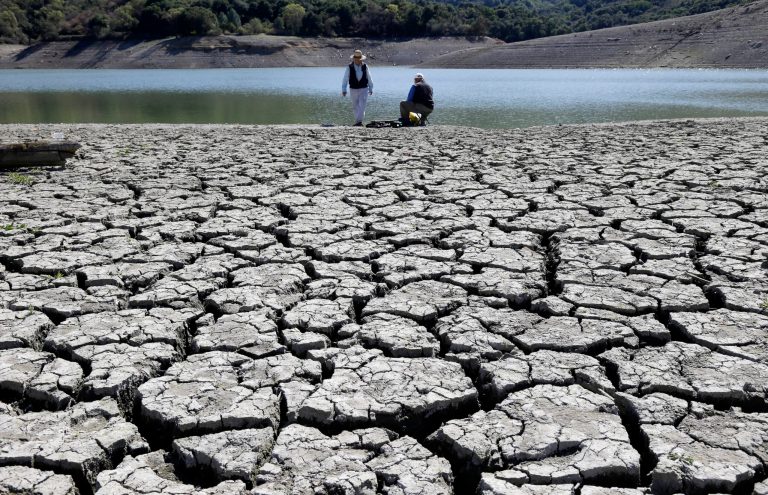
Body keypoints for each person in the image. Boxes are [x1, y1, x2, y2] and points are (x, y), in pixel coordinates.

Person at [341, 49, 373, 126]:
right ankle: (358, 121)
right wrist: (344, 89)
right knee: (355, 106)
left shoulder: (365, 66)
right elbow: (345, 78)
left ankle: (359, 121)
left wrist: (371, 88)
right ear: (354, 59)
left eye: (358, 59)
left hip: (364, 88)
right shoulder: (349, 67)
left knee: (362, 105)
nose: (357, 60)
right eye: (356, 59)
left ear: (361, 59)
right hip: (353, 89)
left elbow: (369, 77)